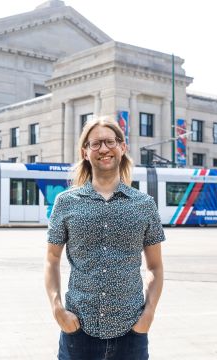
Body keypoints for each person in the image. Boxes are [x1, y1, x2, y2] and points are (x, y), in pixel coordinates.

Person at [44, 117, 165, 359]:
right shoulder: (66, 202)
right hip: (78, 332)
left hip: (131, 333)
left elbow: (155, 266)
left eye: (110, 141)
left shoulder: (144, 204)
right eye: (96, 143)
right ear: (85, 152)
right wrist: (58, 309)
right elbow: (52, 260)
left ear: (122, 147)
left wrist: (148, 314)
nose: (104, 149)